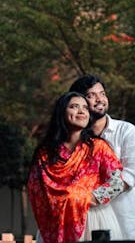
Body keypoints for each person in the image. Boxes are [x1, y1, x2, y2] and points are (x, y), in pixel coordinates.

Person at [27, 92, 126, 243]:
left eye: (85, 108)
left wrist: (86, 197)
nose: (81, 111)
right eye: (74, 106)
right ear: (61, 112)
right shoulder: (46, 153)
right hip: (55, 221)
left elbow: (117, 182)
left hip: (92, 219)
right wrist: (60, 201)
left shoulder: (98, 147)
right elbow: (35, 188)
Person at [69, 75, 135, 240]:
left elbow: (130, 175)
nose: (100, 99)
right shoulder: (73, 137)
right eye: (91, 95)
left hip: (124, 225)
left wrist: (94, 197)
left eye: (102, 94)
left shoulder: (126, 130)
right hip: (82, 227)